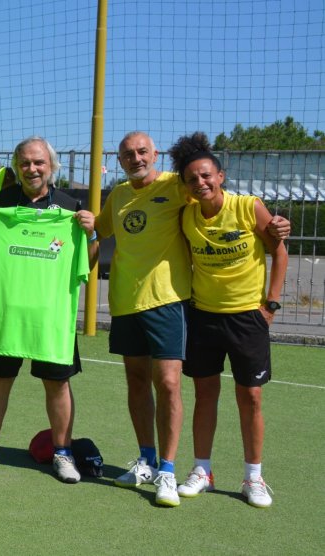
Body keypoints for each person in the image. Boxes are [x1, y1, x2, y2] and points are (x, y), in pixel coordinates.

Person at [97, 131, 289, 507]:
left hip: (186, 306)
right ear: (120, 161)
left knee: (183, 385)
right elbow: (95, 230)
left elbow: (276, 243)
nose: (136, 158)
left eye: (142, 152)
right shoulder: (123, 196)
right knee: (156, 384)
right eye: (127, 154)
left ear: (154, 155)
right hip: (151, 307)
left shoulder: (186, 189)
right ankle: (165, 465)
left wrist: (271, 304)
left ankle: (206, 473)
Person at [0, 136, 97, 484]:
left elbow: (87, 265)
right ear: (16, 167)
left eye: (38, 162)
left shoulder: (70, 211)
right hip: (5, 316)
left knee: (58, 385)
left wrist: (92, 236)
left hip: (50, 319)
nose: (32, 168)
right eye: (24, 163)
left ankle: (64, 453)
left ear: (51, 166)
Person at [169, 132, 287, 508]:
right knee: (205, 395)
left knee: (250, 397)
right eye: (192, 179)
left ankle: (254, 476)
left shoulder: (249, 207)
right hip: (203, 317)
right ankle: (202, 470)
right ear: (186, 187)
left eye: (206, 175)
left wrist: (271, 305)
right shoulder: (186, 216)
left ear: (221, 175)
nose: (200, 183)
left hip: (248, 318)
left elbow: (279, 251)